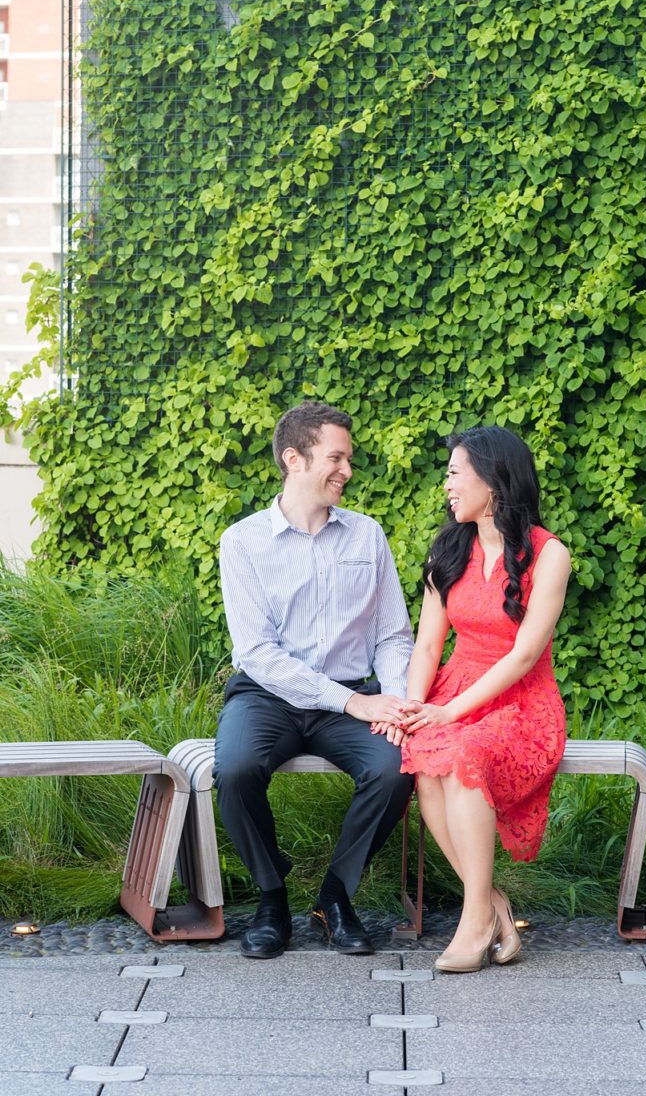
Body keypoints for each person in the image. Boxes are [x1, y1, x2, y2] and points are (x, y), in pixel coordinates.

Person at [214, 401, 414, 959]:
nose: (347, 470)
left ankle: (334, 898)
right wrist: (354, 703)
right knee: (234, 767)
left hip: (353, 695)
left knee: (396, 770)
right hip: (269, 697)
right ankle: (271, 896)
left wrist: (393, 702)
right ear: (294, 458)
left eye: (348, 458)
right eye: (336, 457)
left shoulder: (367, 537)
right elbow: (257, 653)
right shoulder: (243, 542)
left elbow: (393, 634)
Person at [397, 426, 571, 973]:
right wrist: (412, 705)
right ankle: (491, 905)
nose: (446, 484)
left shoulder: (549, 555)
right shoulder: (449, 549)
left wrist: (450, 712)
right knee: (426, 766)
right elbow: (427, 644)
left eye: (454, 472)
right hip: (454, 688)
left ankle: (474, 923)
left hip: (519, 700)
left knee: (464, 757)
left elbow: (523, 656)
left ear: (493, 480)